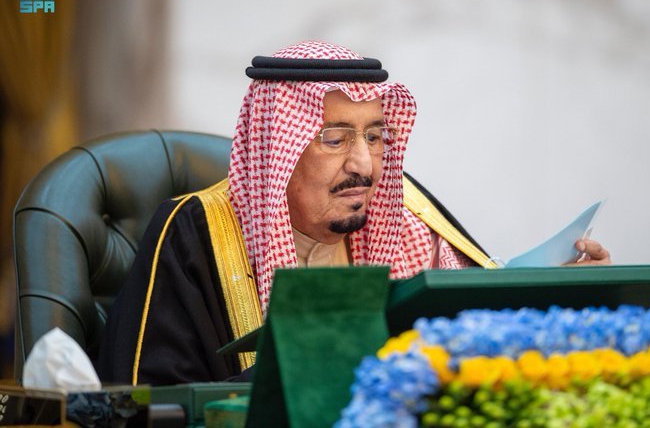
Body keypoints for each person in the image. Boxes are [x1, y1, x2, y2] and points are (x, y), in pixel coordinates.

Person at [96, 41, 610, 386]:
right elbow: (154, 405)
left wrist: (570, 300)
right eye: (335, 139)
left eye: (375, 137)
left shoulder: (408, 221)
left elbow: (483, 327)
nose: (364, 164)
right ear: (278, 148)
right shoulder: (196, 232)